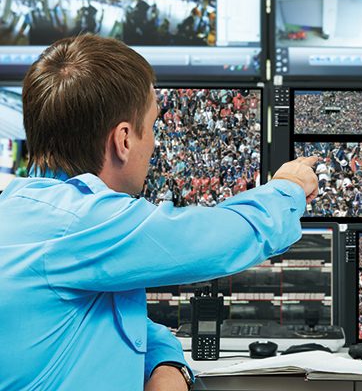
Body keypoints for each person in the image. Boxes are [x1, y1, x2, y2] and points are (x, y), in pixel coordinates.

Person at [0, 35, 319, 391]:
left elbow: (113, 317)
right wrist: (288, 187)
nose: (153, 144)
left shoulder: (28, 209)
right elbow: (215, 239)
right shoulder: (77, 223)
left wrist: (167, 363)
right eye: (151, 127)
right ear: (123, 140)